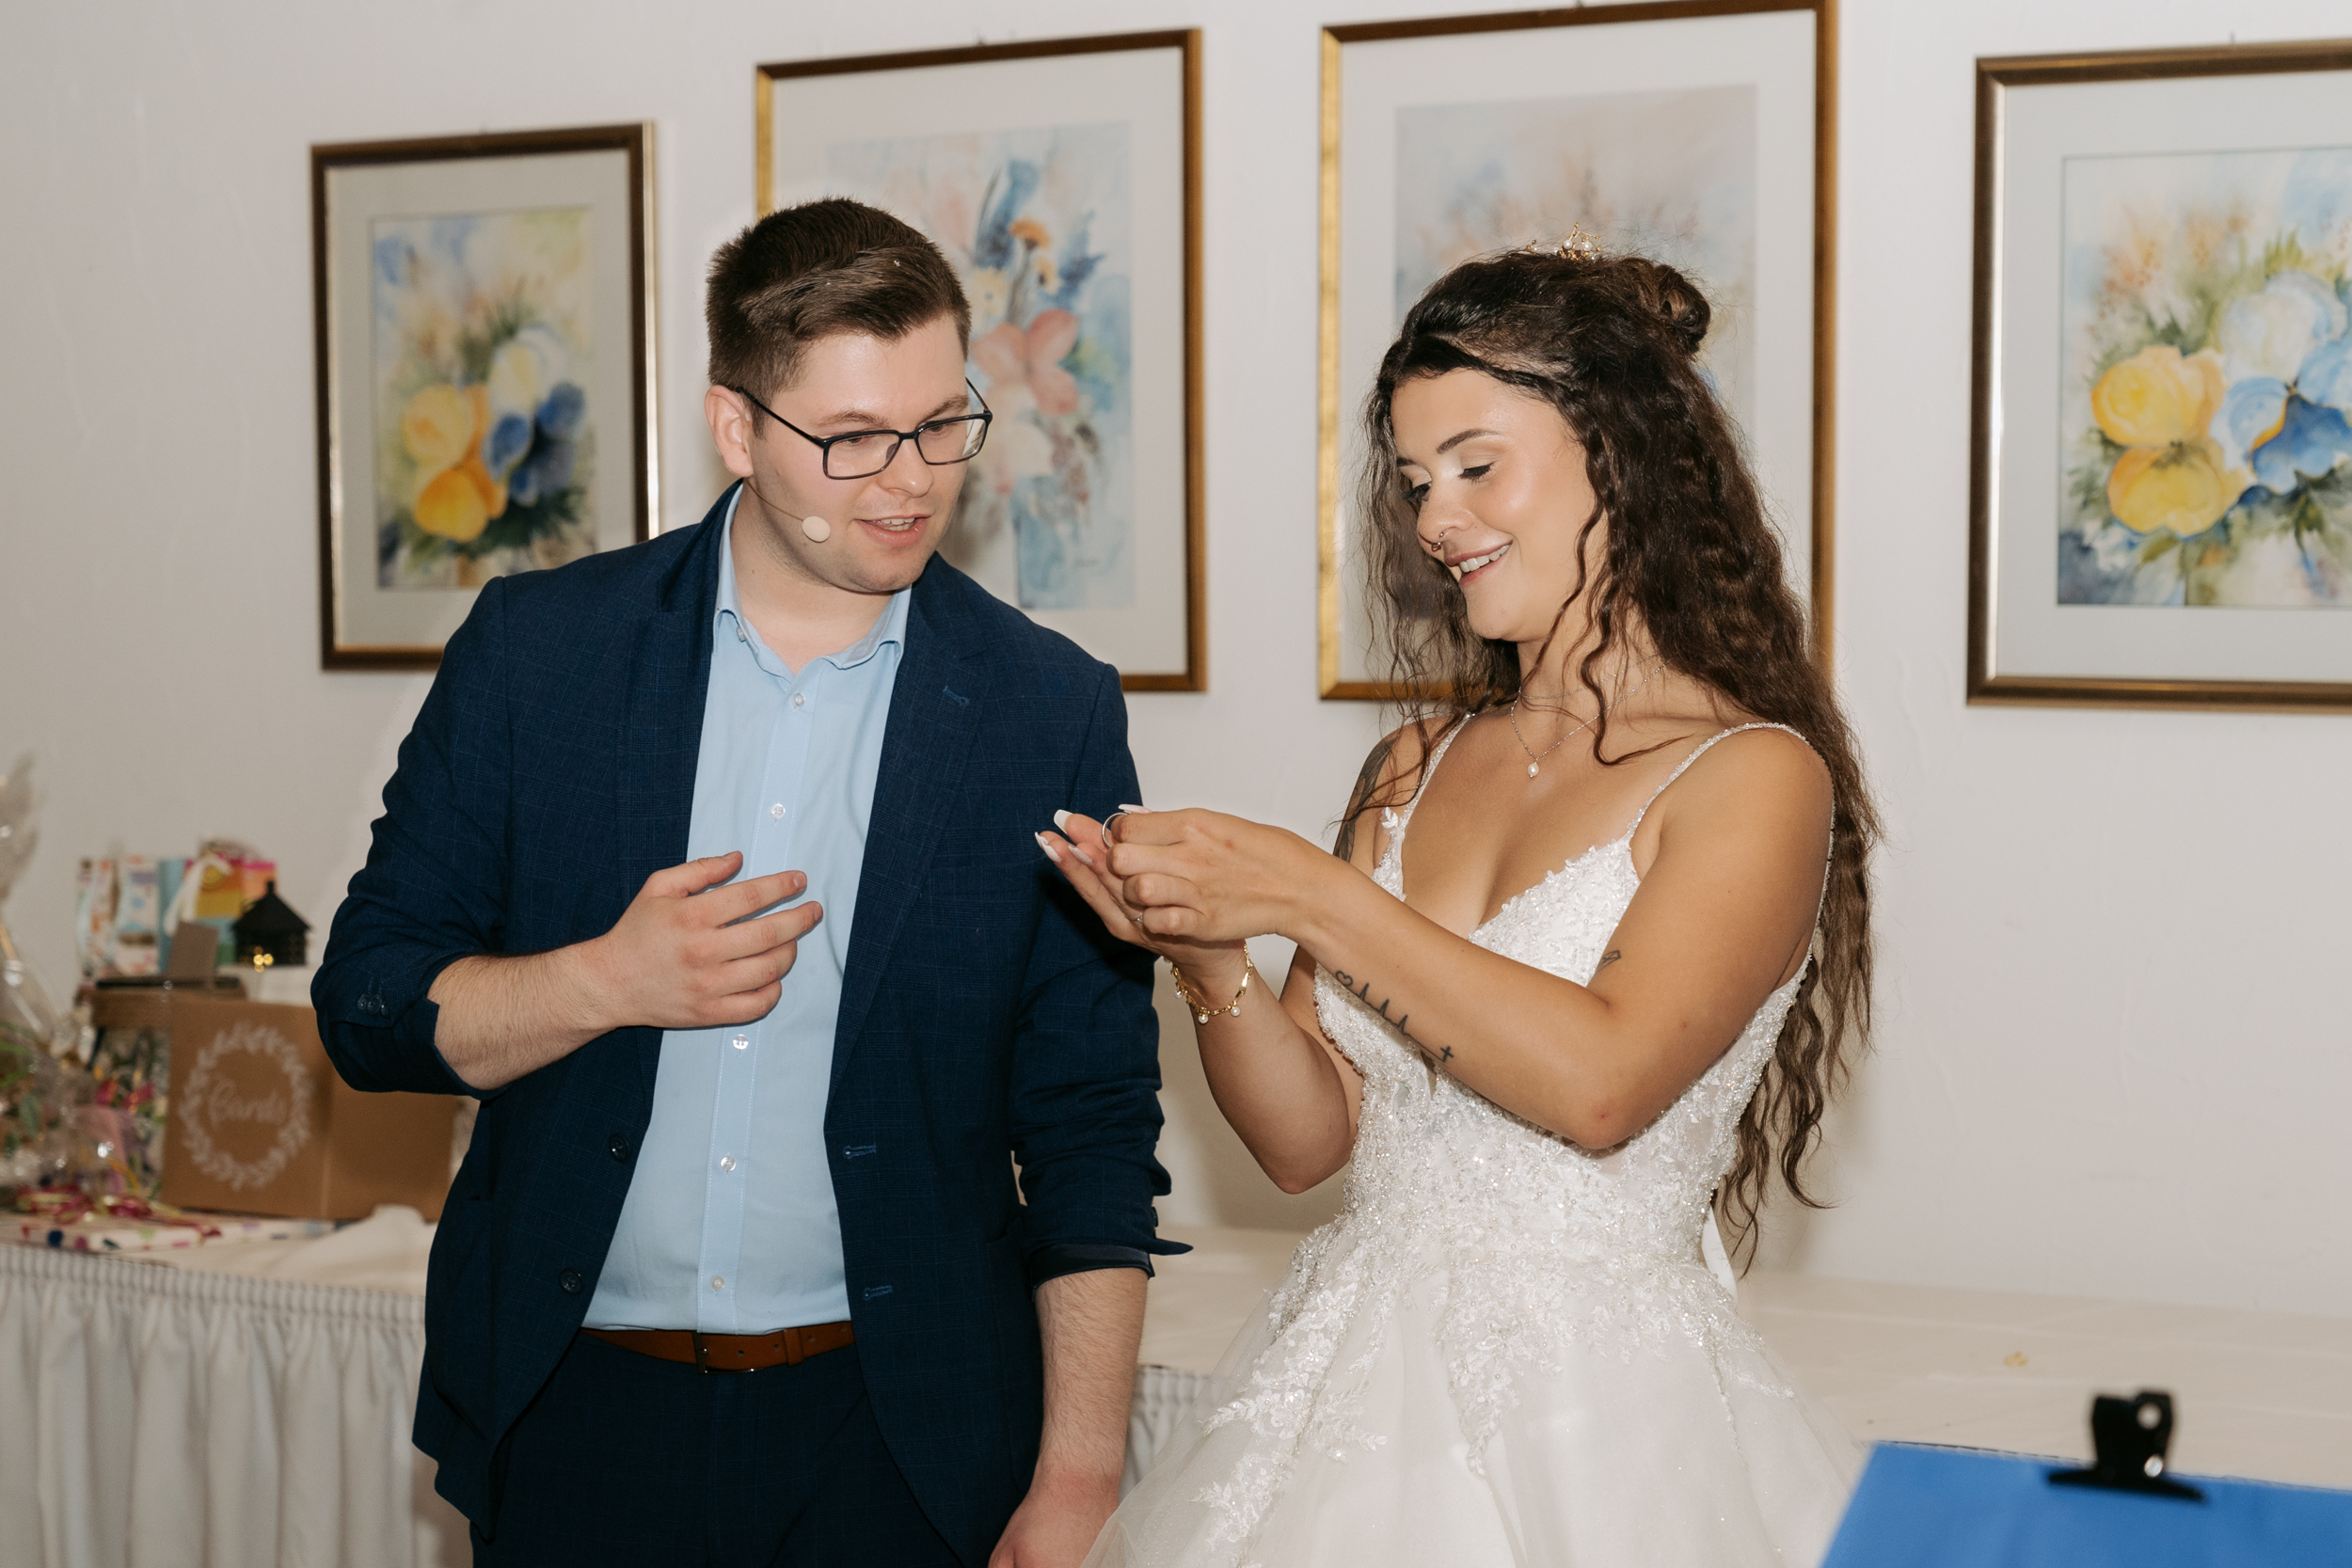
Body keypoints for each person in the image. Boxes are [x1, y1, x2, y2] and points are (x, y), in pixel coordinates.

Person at [314, 197, 1182, 1568]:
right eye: (853, 439)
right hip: (577, 1414)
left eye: (941, 423)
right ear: (737, 428)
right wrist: (605, 981)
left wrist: (1078, 1474)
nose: (910, 480)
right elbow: (365, 1008)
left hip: (901, 1440)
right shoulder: (539, 655)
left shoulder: (1046, 708)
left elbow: (1090, 1122)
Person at [1041, 243, 1879, 1566]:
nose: (1438, 521)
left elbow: (1600, 1085)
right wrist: (1213, 962)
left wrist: (1313, 892)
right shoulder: (1414, 766)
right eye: (1418, 481)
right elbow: (1309, 1144)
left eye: (1478, 466)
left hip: (1603, 1429)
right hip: (1348, 1405)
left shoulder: (1753, 776)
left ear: (1623, 456)